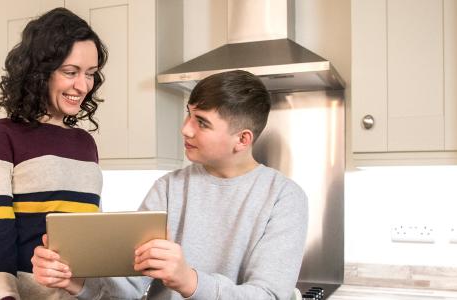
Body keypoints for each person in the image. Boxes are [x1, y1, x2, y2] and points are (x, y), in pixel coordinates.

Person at [30, 70, 308, 299]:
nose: (186, 128)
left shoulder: (284, 198)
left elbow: (269, 296)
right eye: (189, 114)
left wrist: (189, 281)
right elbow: (128, 288)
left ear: (242, 140)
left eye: (202, 122)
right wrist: (72, 280)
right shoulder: (169, 188)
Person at [0, 7, 109, 300]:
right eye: (70, 72)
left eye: (91, 74)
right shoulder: (0, 135)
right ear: (39, 71)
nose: (83, 86)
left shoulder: (86, 144)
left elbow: (85, 242)